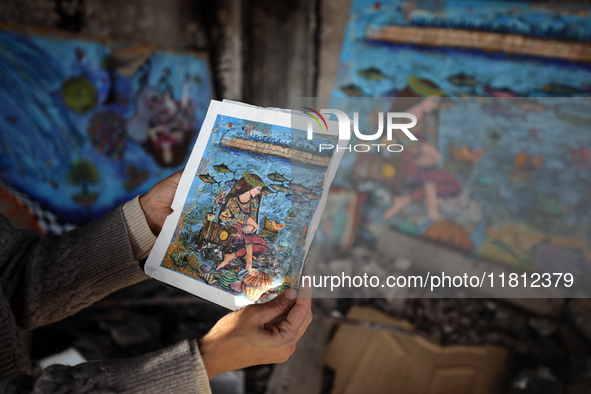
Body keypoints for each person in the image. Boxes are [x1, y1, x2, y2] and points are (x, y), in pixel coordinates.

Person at [0, 170, 313, 393]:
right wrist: (209, 359)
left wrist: (144, 221)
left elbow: (14, 276)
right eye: (254, 193)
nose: (255, 198)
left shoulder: (246, 204)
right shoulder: (232, 202)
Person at [215, 172, 269, 273]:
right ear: (249, 186)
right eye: (258, 189)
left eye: (260, 190)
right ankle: (249, 265)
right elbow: (241, 217)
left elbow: (252, 222)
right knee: (242, 227)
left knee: (265, 246)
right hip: (230, 234)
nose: (259, 192)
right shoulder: (232, 201)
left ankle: (232, 256)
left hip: (244, 235)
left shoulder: (254, 202)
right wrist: (253, 226)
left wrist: (252, 227)